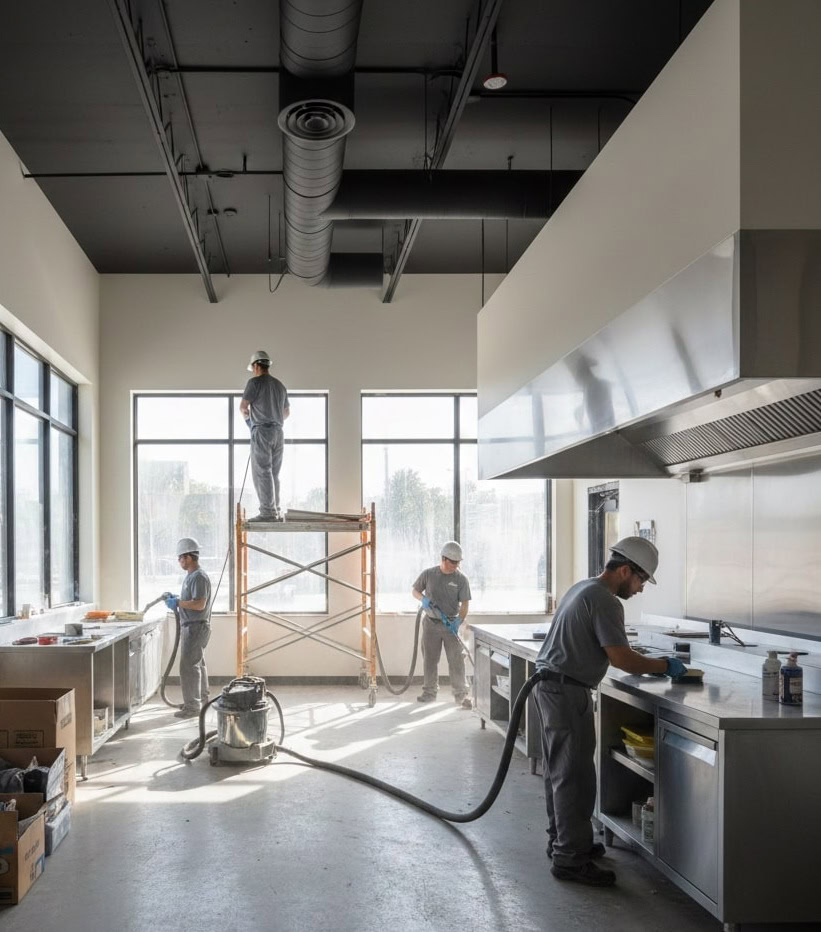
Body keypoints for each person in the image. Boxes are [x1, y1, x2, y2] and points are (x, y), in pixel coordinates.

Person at [534, 536, 686, 888]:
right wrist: (664, 664)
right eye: (641, 580)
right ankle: (570, 859)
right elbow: (622, 658)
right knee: (575, 778)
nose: (641, 589)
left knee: (560, 773)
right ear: (624, 570)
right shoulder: (604, 600)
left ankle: (565, 841)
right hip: (566, 692)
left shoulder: (584, 588)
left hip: (552, 687)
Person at [412, 541, 473, 709]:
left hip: (451, 625)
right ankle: (429, 693)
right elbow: (415, 590)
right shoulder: (429, 574)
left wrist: (458, 621)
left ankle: (461, 695)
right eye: (453, 562)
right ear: (444, 559)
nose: (456, 566)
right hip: (431, 624)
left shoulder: (461, 579)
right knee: (430, 660)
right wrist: (422, 599)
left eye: (458, 563)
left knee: (456, 660)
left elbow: (465, 604)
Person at [165, 537, 213, 719]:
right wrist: (178, 599)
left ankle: (193, 707)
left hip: (196, 627)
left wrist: (178, 602)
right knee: (197, 664)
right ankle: (201, 700)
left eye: (180, 558)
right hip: (193, 626)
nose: (179, 562)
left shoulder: (199, 577)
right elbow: (191, 600)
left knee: (188, 667)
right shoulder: (191, 577)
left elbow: (199, 604)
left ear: (188, 557)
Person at [240, 350, 290, 522]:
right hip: (278, 432)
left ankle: (268, 513)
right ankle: (275, 509)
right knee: (273, 473)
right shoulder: (280, 385)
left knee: (262, 472)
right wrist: (274, 418)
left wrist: (251, 424)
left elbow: (243, 407)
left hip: (262, 431)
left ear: (255, 366)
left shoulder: (254, 382)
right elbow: (286, 413)